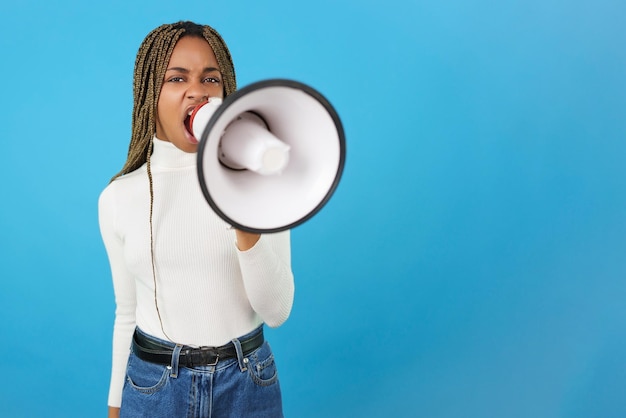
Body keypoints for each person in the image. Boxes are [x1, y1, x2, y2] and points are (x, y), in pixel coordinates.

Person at [98, 21, 295, 418]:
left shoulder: (261, 180)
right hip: (153, 387)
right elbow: (128, 314)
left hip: (246, 384)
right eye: (177, 78)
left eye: (210, 78)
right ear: (150, 93)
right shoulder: (118, 197)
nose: (198, 91)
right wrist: (115, 407)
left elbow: (276, 311)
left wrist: (243, 215)